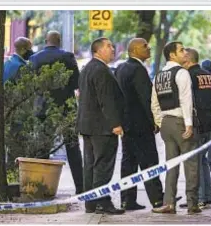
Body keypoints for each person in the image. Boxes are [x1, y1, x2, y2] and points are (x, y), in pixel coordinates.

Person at [29, 31, 84, 194]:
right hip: (66, 108)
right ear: (59, 41)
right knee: (73, 147)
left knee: (43, 147)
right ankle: (80, 188)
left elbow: (31, 85)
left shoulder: (35, 58)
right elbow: (76, 83)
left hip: (43, 108)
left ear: (46, 41)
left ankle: (41, 188)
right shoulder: (67, 56)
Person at [114, 38, 164, 210]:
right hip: (141, 125)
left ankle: (127, 200)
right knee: (150, 161)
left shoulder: (121, 68)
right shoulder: (138, 70)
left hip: (127, 125)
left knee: (128, 164)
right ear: (134, 50)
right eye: (145, 46)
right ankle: (158, 200)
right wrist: (155, 121)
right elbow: (146, 99)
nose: (149, 48)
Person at [151, 42, 201, 215]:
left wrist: (160, 121)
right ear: (172, 55)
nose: (185, 52)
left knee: (171, 164)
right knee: (191, 164)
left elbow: (154, 103)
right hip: (181, 121)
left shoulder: (159, 75)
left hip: (166, 123)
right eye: (181, 50)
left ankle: (169, 203)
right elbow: (186, 100)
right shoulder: (182, 72)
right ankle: (192, 203)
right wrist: (189, 124)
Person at [77, 37, 125, 215]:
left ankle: (90, 203)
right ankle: (102, 202)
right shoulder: (101, 70)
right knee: (103, 166)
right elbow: (106, 100)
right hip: (103, 127)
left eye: (112, 46)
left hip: (88, 126)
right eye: (109, 46)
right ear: (97, 50)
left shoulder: (87, 68)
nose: (112, 49)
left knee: (90, 165)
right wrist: (116, 124)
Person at [180, 50, 211, 209]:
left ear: (187, 59)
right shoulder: (210, 77)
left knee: (195, 162)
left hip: (196, 123)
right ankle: (207, 196)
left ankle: (198, 197)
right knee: (202, 160)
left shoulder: (188, 76)